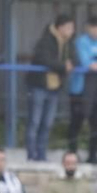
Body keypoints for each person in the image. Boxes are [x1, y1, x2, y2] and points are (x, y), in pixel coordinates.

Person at [26, 15, 74, 162]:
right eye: (69, 27)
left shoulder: (67, 44)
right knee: (34, 121)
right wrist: (62, 66)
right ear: (60, 27)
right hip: (39, 86)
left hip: (54, 87)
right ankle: (31, 154)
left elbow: (73, 60)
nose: (71, 31)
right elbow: (43, 59)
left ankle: (41, 154)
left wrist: (69, 65)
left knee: (47, 123)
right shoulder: (46, 40)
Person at [67, 17, 97, 165]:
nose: (96, 30)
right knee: (76, 122)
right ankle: (72, 154)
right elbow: (85, 61)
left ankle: (93, 155)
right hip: (80, 89)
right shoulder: (81, 42)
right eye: (93, 27)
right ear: (87, 28)